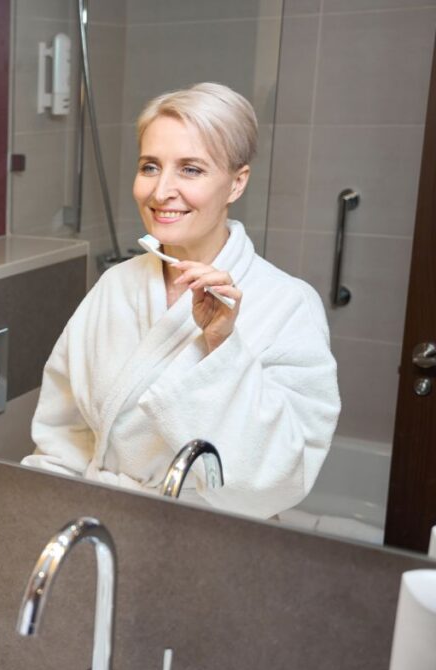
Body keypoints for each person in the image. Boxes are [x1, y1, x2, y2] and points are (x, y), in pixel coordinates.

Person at [23, 83, 340, 520]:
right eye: (150, 166)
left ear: (236, 183)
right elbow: (63, 433)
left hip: (211, 541)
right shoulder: (116, 286)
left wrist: (222, 346)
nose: (161, 191)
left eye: (191, 170)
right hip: (98, 523)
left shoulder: (288, 305)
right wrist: (42, 515)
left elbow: (282, 478)